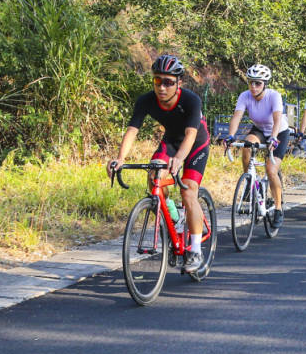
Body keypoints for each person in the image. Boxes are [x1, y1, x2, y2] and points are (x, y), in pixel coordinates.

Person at [106, 54, 210, 273]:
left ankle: (195, 251)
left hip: (195, 144)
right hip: (171, 141)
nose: (162, 87)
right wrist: (120, 159)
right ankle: (174, 217)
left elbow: (191, 134)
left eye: (168, 82)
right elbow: (132, 130)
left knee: (189, 192)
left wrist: (180, 159)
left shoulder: (191, 100)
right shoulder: (146, 100)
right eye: (157, 81)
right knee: (154, 177)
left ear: (179, 83)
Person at [224, 64, 290, 228]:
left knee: (271, 169)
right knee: (247, 145)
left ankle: (279, 208)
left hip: (278, 131)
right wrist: (231, 136)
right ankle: (249, 182)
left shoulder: (274, 96)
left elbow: (277, 120)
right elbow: (236, 117)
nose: (253, 87)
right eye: (251, 82)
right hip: (260, 129)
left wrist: (274, 138)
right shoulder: (245, 96)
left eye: (258, 83)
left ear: (265, 84)